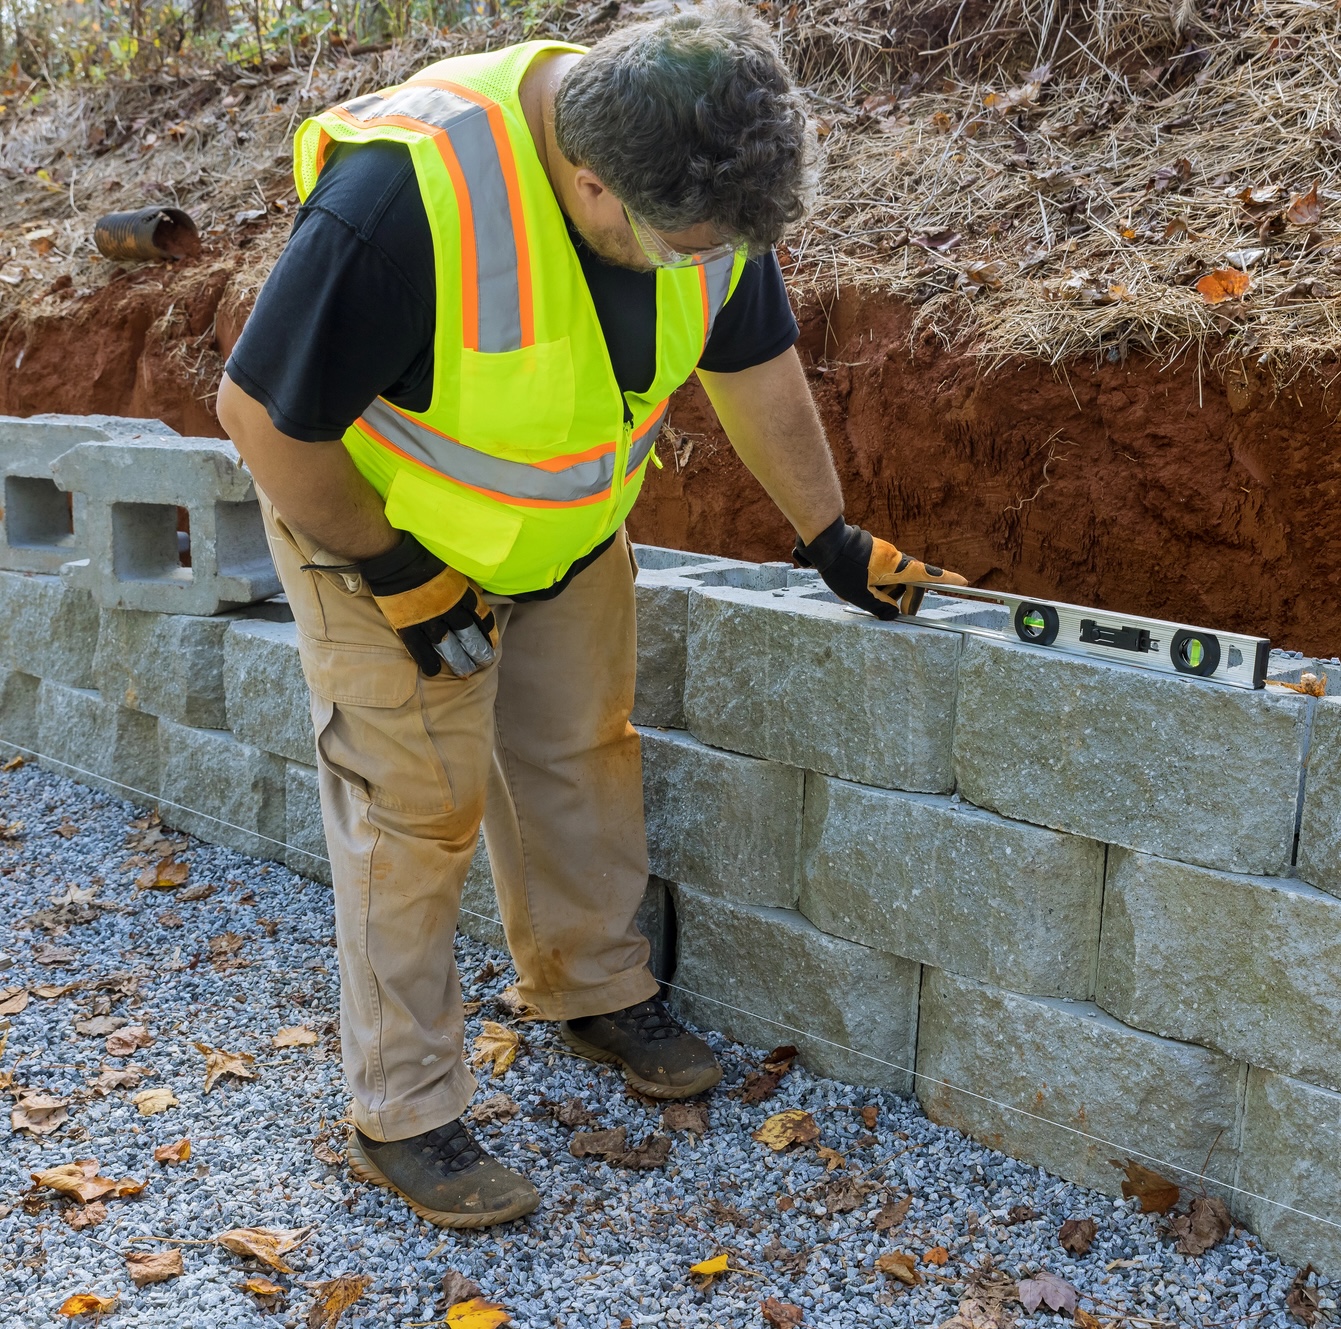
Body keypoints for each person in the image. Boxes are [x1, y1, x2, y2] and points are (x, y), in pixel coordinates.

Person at [217, 0, 965, 1230]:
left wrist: (826, 533)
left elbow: (754, 360)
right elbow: (262, 419)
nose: (701, 262)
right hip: (376, 532)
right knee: (419, 814)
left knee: (578, 752)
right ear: (587, 179)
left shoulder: (698, 179)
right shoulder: (403, 199)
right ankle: (401, 1112)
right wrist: (401, 574)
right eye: (682, 244)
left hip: (561, 539)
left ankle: (590, 986)